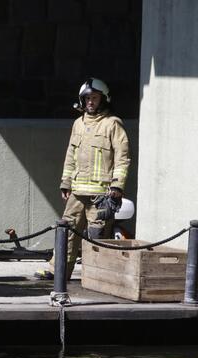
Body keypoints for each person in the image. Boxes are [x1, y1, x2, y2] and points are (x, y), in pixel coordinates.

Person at [35, 78, 130, 280]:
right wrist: (66, 183)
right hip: (77, 192)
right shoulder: (78, 124)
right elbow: (70, 156)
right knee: (67, 232)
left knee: (98, 238)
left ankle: (97, 276)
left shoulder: (112, 124)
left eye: (94, 98)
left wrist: (117, 186)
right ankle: (57, 270)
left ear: (103, 100)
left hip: (101, 195)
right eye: (87, 98)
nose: (90, 102)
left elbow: (123, 158)